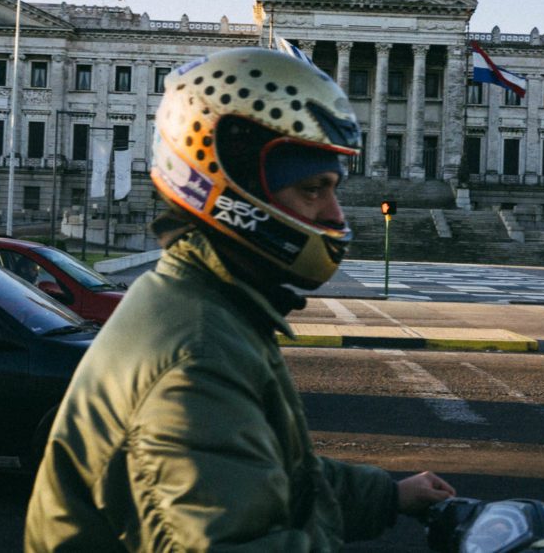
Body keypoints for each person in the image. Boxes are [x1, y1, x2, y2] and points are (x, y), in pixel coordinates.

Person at [25, 48, 454, 551]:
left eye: (335, 188)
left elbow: (267, 473)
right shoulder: (197, 358)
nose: (336, 215)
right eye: (314, 189)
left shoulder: (203, 301)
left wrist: (387, 495)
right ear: (237, 192)